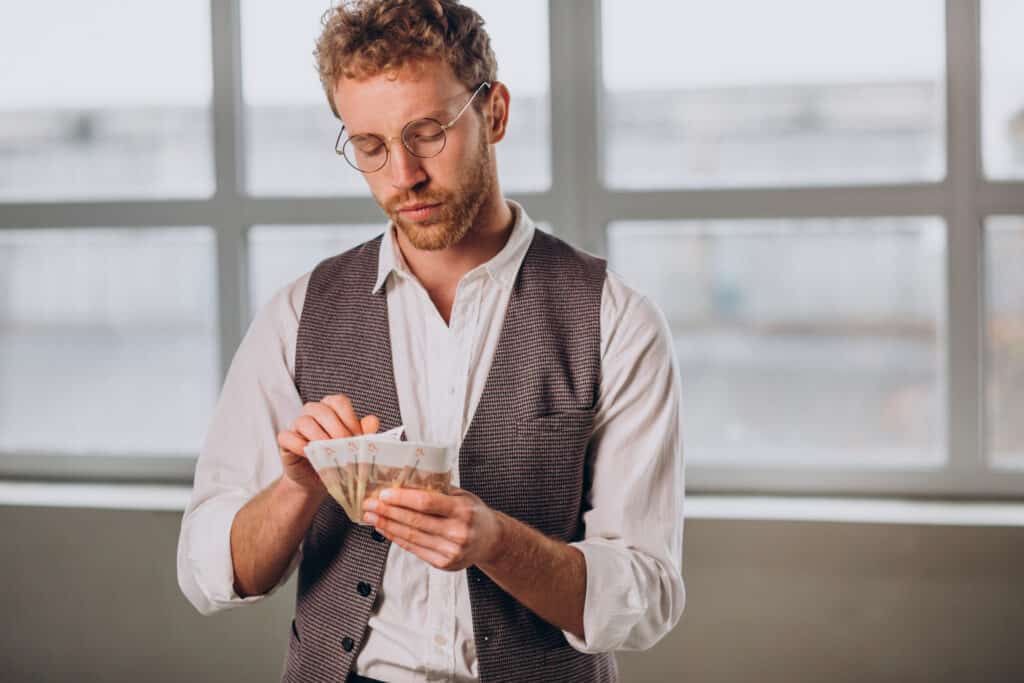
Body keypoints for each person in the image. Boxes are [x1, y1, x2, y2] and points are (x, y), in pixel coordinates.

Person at [176, 1, 684, 681]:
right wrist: (298, 488)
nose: (402, 176)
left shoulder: (617, 320)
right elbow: (208, 570)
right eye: (370, 146)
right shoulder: (298, 312)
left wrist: (498, 542)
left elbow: (647, 595)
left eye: (427, 133)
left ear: (495, 112)